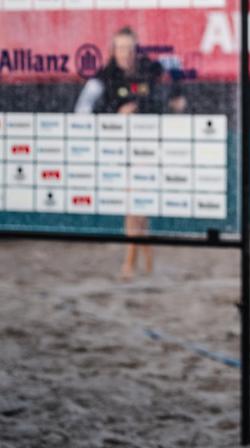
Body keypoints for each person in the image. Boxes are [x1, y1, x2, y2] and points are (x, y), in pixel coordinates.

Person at [74, 27, 187, 281]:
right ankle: (140, 262)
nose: (125, 53)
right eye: (121, 48)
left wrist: (178, 96)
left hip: (146, 146)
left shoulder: (148, 67)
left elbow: (174, 65)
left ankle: (136, 264)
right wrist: (115, 117)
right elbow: (81, 112)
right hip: (117, 149)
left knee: (136, 206)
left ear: (136, 50)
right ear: (112, 50)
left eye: (130, 48)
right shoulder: (104, 77)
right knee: (135, 206)